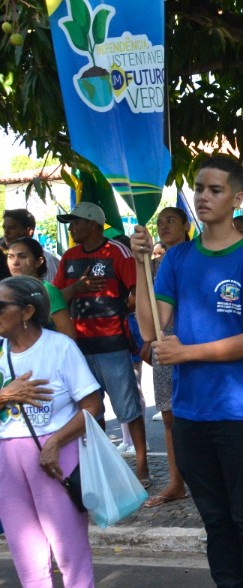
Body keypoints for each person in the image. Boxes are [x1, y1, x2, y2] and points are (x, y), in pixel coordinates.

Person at [131, 154, 243, 588]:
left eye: (215, 188)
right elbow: (153, 330)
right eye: (198, 187)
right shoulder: (178, 259)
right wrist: (140, 265)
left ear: (237, 197)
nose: (203, 195)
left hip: (242, 413)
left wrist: (186, 353)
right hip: (192, 412)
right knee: (215, 519)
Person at [0, 276, 103, 588]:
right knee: (26, 553)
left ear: (27, 312)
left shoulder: (60, 348)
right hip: (8, 457)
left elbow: (92, 405)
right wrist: (6, 395)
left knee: (69, 550)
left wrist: (57, 440)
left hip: (53, 456)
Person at [52, 202, 149, 489]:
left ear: (93, 224)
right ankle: (100, 469)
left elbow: (137, 290)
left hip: (112, 344)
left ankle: (143, 468)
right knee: (90, 413)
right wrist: (76, 289)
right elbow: (57, 298)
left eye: (76, 222)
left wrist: (125, 307)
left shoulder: (117, 252)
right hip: (78, 348)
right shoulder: (68, 257)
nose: (71, 227)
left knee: (127, 408)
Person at [141, 207, 191, 507]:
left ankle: (200, 477)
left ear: (186, 225)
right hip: (163, 344)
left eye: (171, 220)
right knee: (169, 417)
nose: (163, 226)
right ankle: (175, 481)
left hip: (191, 344)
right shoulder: (157, 263)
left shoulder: (196, 258)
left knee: (197, 415)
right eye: (159, 222)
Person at [7, 237, 76, 338]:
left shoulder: (48, 291)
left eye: (22, 256)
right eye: (11, 257)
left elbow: (68, 336)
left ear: (38, 261)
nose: (15, 262)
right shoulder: (6, 291)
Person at [4, 208, 60, 280]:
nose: (6, 233)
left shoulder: (49, 260)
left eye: (11, 228)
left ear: (29, 231)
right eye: (4, 228)